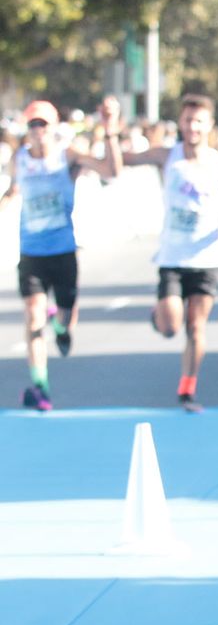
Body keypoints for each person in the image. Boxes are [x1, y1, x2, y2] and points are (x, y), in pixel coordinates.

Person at [124, 93, 218, 412]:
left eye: (199, 121)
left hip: (207, 258)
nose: (193, 127)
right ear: (180, 123)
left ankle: (187, 390)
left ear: (209, 125)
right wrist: (112, 133)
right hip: (172, 256)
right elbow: (125, 160)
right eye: (188, 120)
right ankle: (160, 317)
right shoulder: (167, 157)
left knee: (196, 327)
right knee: (171, 327)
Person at [1, 98, 123, 411]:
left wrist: (110, 131)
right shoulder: (19, 159)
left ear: (54, 127)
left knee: (66, 317)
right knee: (33, 316)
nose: (38, 130)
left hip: (63, 251)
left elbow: (111, 170)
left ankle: (60, 326)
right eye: (33, 124)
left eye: (43, 124)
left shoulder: (67, 156)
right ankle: (40, 387)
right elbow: (13, 190)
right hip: (31, 253)